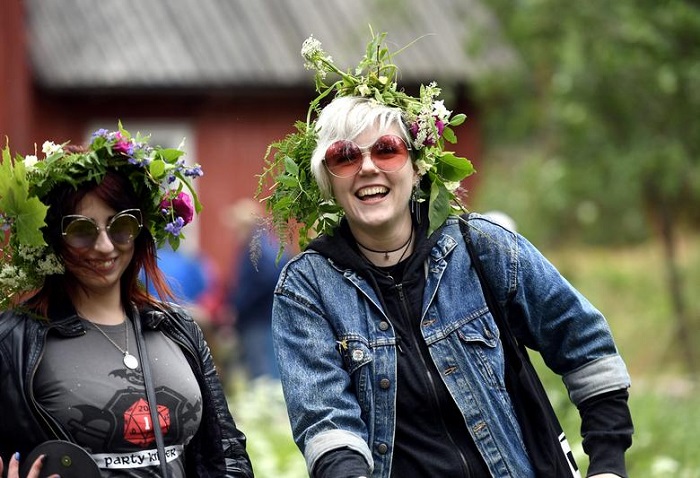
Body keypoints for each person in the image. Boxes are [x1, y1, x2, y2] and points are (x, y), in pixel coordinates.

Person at [256, 32, 633, 478]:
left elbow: (583, 342)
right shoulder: (308, 289)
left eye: (387, 150)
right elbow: (326, 423)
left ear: (417, 168)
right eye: (344, 157)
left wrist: (608, 464)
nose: (368, 166)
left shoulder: (480, 249)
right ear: (329, 182)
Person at [0, 126, 254, 477]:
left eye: (120, 225)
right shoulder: (13, 340)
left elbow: (225, 452)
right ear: (52, 239)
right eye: (81, 230)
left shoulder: (177, 329)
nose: (104, 246)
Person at [223, 198, 289, 380]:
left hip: (260, 319)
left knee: (263, 374)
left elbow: (267, 279)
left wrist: (238, 306)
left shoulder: (258, 247)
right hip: (264, 318)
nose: (234, 231)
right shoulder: (266, 243)